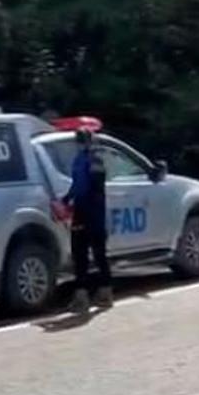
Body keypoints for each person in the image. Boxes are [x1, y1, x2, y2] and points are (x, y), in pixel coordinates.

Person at [62, 127, 113, 314]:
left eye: (82, 140)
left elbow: (88, 186)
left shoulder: (93, 160)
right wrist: (67, 199)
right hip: (85, 211)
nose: (80, 144)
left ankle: (101, 292)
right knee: (83, 254)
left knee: (94, 253)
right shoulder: (82, 160)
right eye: (79, 140)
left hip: (91, 211)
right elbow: (78, 184)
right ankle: (86, 295)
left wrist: (70, 199)